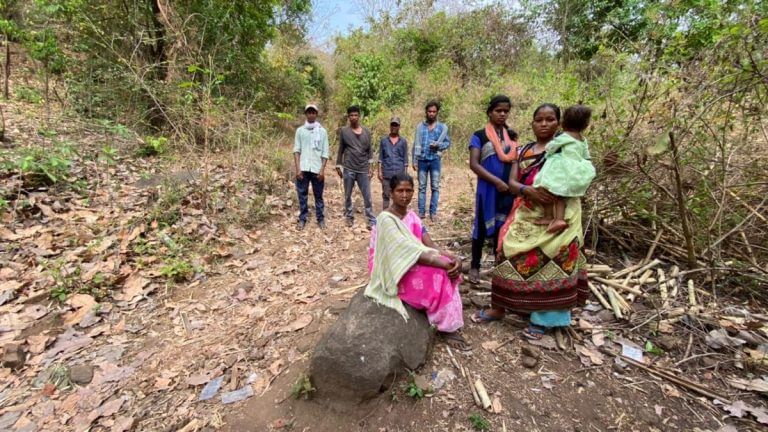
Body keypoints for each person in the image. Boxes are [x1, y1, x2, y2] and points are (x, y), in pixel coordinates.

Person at [472, 103, 590, 342]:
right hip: (527, 210)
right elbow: (512, 182)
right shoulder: (524, 150)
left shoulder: (566, 148)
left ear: (559, 123)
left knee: (556, 257)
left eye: (550, 119)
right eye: (539, 120)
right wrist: (528, 191)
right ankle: (500, 306)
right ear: (532, 123)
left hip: (562, 214)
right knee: (506, 250)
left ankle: (543, 319)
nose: (544, 124)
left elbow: (580, 176)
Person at [366, 173, 470, 350]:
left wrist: (453, 258)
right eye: (400, 191)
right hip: (392, 269)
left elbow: (430, 245)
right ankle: (445, 326)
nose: (404, 195)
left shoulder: (413, 217)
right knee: (440, 273)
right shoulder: (385, 220)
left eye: (408, 191)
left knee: (447, 268)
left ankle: (448, 319)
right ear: (391, 193)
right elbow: (406, 251)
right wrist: (444, 264)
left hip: (413, 261)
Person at [468, 95, 519, 284]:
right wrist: (496, 181)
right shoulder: (480, 136)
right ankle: (475, 266)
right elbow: (474, 164)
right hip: (488, 188)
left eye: (506, 111)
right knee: (481, 227)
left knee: (502, 227)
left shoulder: (511, 136)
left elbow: (516, 161)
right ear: (490, 112)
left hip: (507, 188)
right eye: (498, 110)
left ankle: (499, 265)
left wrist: (512, 184)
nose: (502, 114)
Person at [532, 105, 596, 233]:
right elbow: (586, 156)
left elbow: (551, 147)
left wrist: (548, 153)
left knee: (550, 190)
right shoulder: (582, 139)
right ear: (585, 125)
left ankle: (554, 218)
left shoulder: (565, 136)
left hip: (562, 168)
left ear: (563, 122)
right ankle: (556, 218)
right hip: (576, 169)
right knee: (561, 194)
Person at [335, 105, 376, 229]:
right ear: (348, 117)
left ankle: (370, 219)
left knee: (367, 196)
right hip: (349, 168)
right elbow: (341, 149)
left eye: (356, 115)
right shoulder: (344, 131)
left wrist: (370, 167)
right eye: (351, 115)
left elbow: (369, 150)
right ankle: (349, 216)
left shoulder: (366, 131)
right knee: (348, 194)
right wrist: (338, 165)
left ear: (359, 116)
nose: (353, 117)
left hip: (363, 168)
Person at [412, 100, 451, 221]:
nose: (431, 114)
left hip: (435, 160)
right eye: (429, 111)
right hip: (422, 160)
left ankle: (433, 213)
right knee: (422, 187)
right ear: (426, 112)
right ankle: (421, 212)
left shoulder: (442, 128)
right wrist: (414, 160)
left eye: (434, 111)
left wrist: (438, 145)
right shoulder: (420, 127)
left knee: (435, 187)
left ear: (437, 112)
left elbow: (447, 143)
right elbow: (416, 143)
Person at [293, 103, 329, 230]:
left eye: (313, 112)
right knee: (302, 195)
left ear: (316, 114)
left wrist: (322, 170)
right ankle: (302, 218)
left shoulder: (322, 131)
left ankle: (320, 219)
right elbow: (296, 151)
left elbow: (325, 153)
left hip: (316, 169)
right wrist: (298, 169)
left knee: (318, 195)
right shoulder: (300, 131)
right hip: (303, 168)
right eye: (309, 112)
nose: (311, 114)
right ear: (306, 114)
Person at [377, 116, 409, 209]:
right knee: (386, 195)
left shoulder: (403, 141)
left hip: (399, 173)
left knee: (399, 196)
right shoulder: (384, 141)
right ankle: (386, 214)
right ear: (390, 126)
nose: (394, 127)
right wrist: (379, 172)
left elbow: (405, 159)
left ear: (399, 127)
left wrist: (405, 174)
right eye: (392, 125)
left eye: (396, 125)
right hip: (387, 173)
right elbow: (380, 157)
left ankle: (399, 215)